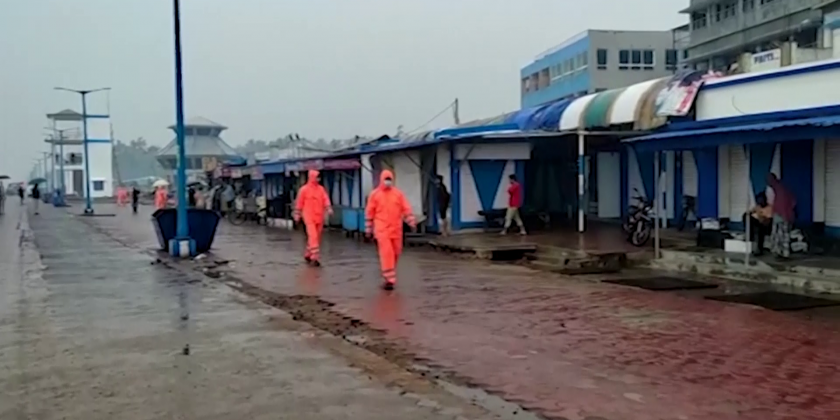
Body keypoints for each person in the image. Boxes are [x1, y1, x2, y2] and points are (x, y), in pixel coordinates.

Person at [365, 170, 416, 290]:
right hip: (382, 229)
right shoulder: (375, 195)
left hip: (396, 229)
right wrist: (368, 229)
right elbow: (369, 212)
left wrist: (411, 221)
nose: (388, 182)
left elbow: (406, 208)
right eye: (386, 179)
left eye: (389, 179)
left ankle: (389, 274)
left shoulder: (398, 194)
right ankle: (389, 280)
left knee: (396, 252)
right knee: (386, 253)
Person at [293, 170, 332, 266]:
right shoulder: (304, 190)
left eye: (319, 177)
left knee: (317, 237)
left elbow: (325, 199)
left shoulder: (321, 189)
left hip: (319, 216)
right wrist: (297, 215)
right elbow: (299, 203)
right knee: (313, 236)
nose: (319, 179)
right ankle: (315, 257)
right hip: (308, 216)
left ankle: (308, 253)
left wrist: (328, 208)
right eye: (317, 177)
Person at [767, 173, 796, 259]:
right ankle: (782, 252)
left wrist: (784, 215)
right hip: (783, 214)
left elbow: (782, 204)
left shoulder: (779, 189)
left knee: (781, 235)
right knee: (781, 235)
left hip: (781, 215)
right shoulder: (781, 188)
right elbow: (792, 201)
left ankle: (782, 253)